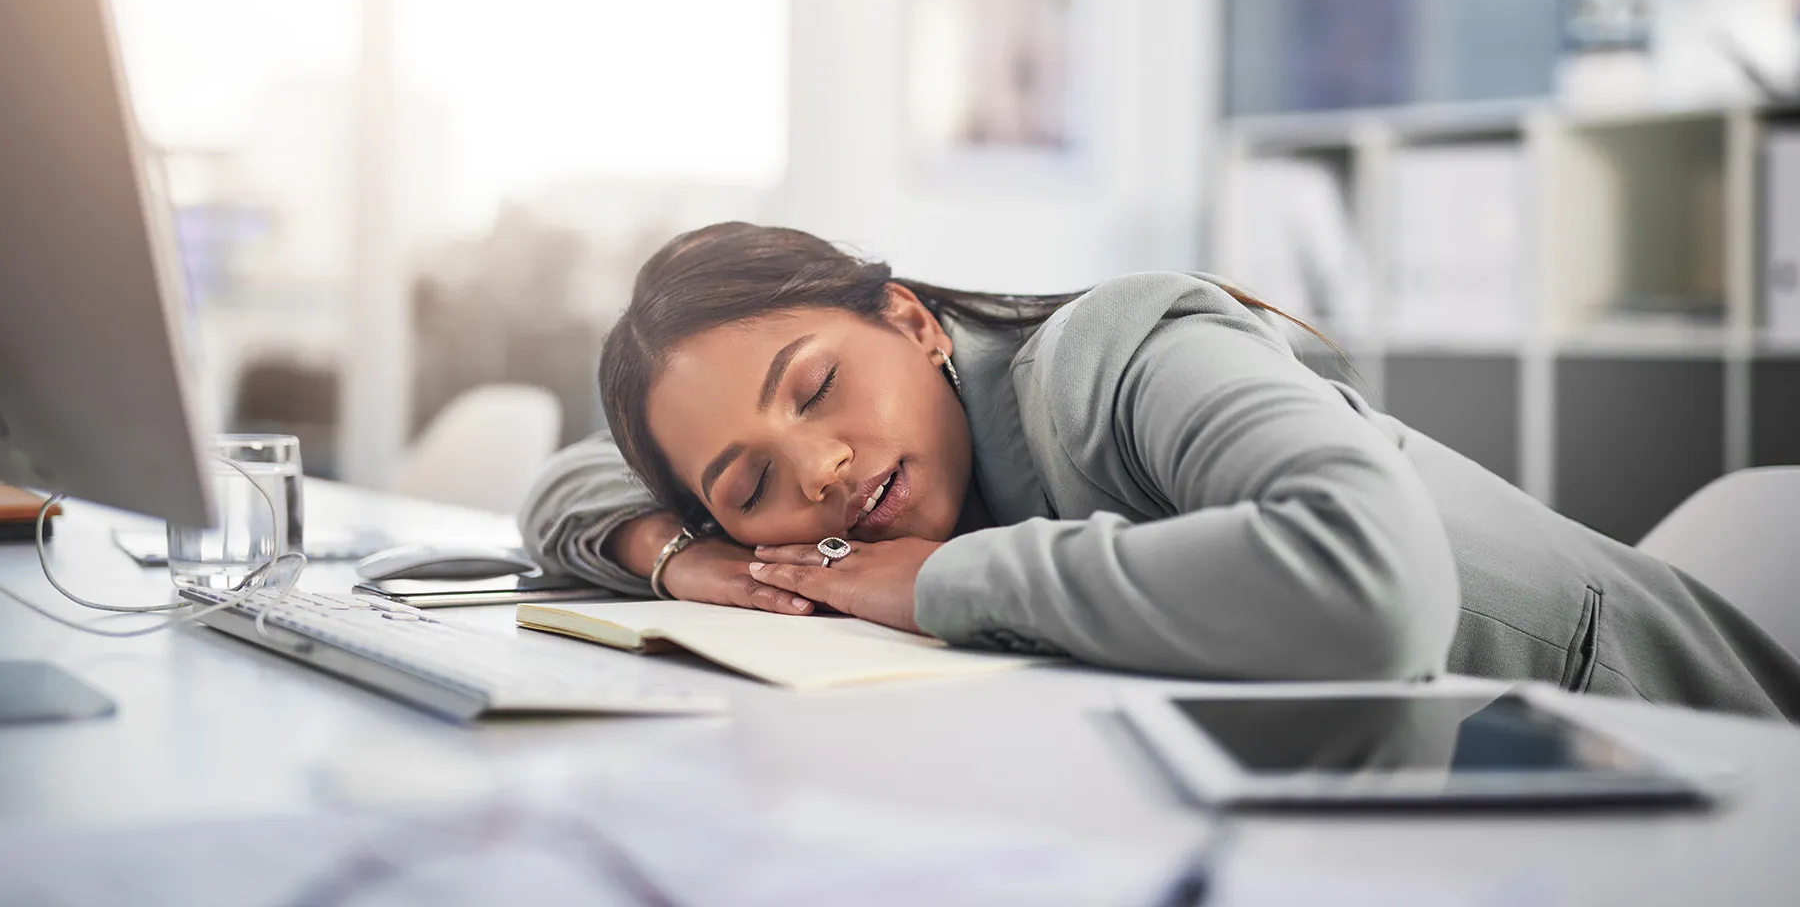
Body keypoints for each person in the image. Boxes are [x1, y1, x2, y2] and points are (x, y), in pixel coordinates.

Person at [521, 222, 1800, 720]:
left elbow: (1375, 587)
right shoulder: (805, 506)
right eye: (749, 486)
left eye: (814, 388)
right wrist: (681, 554)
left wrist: (950, 580)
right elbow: (572, 480)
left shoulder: (1121, 349)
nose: (819, 468)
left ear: (910, 321)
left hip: (1695, 776)